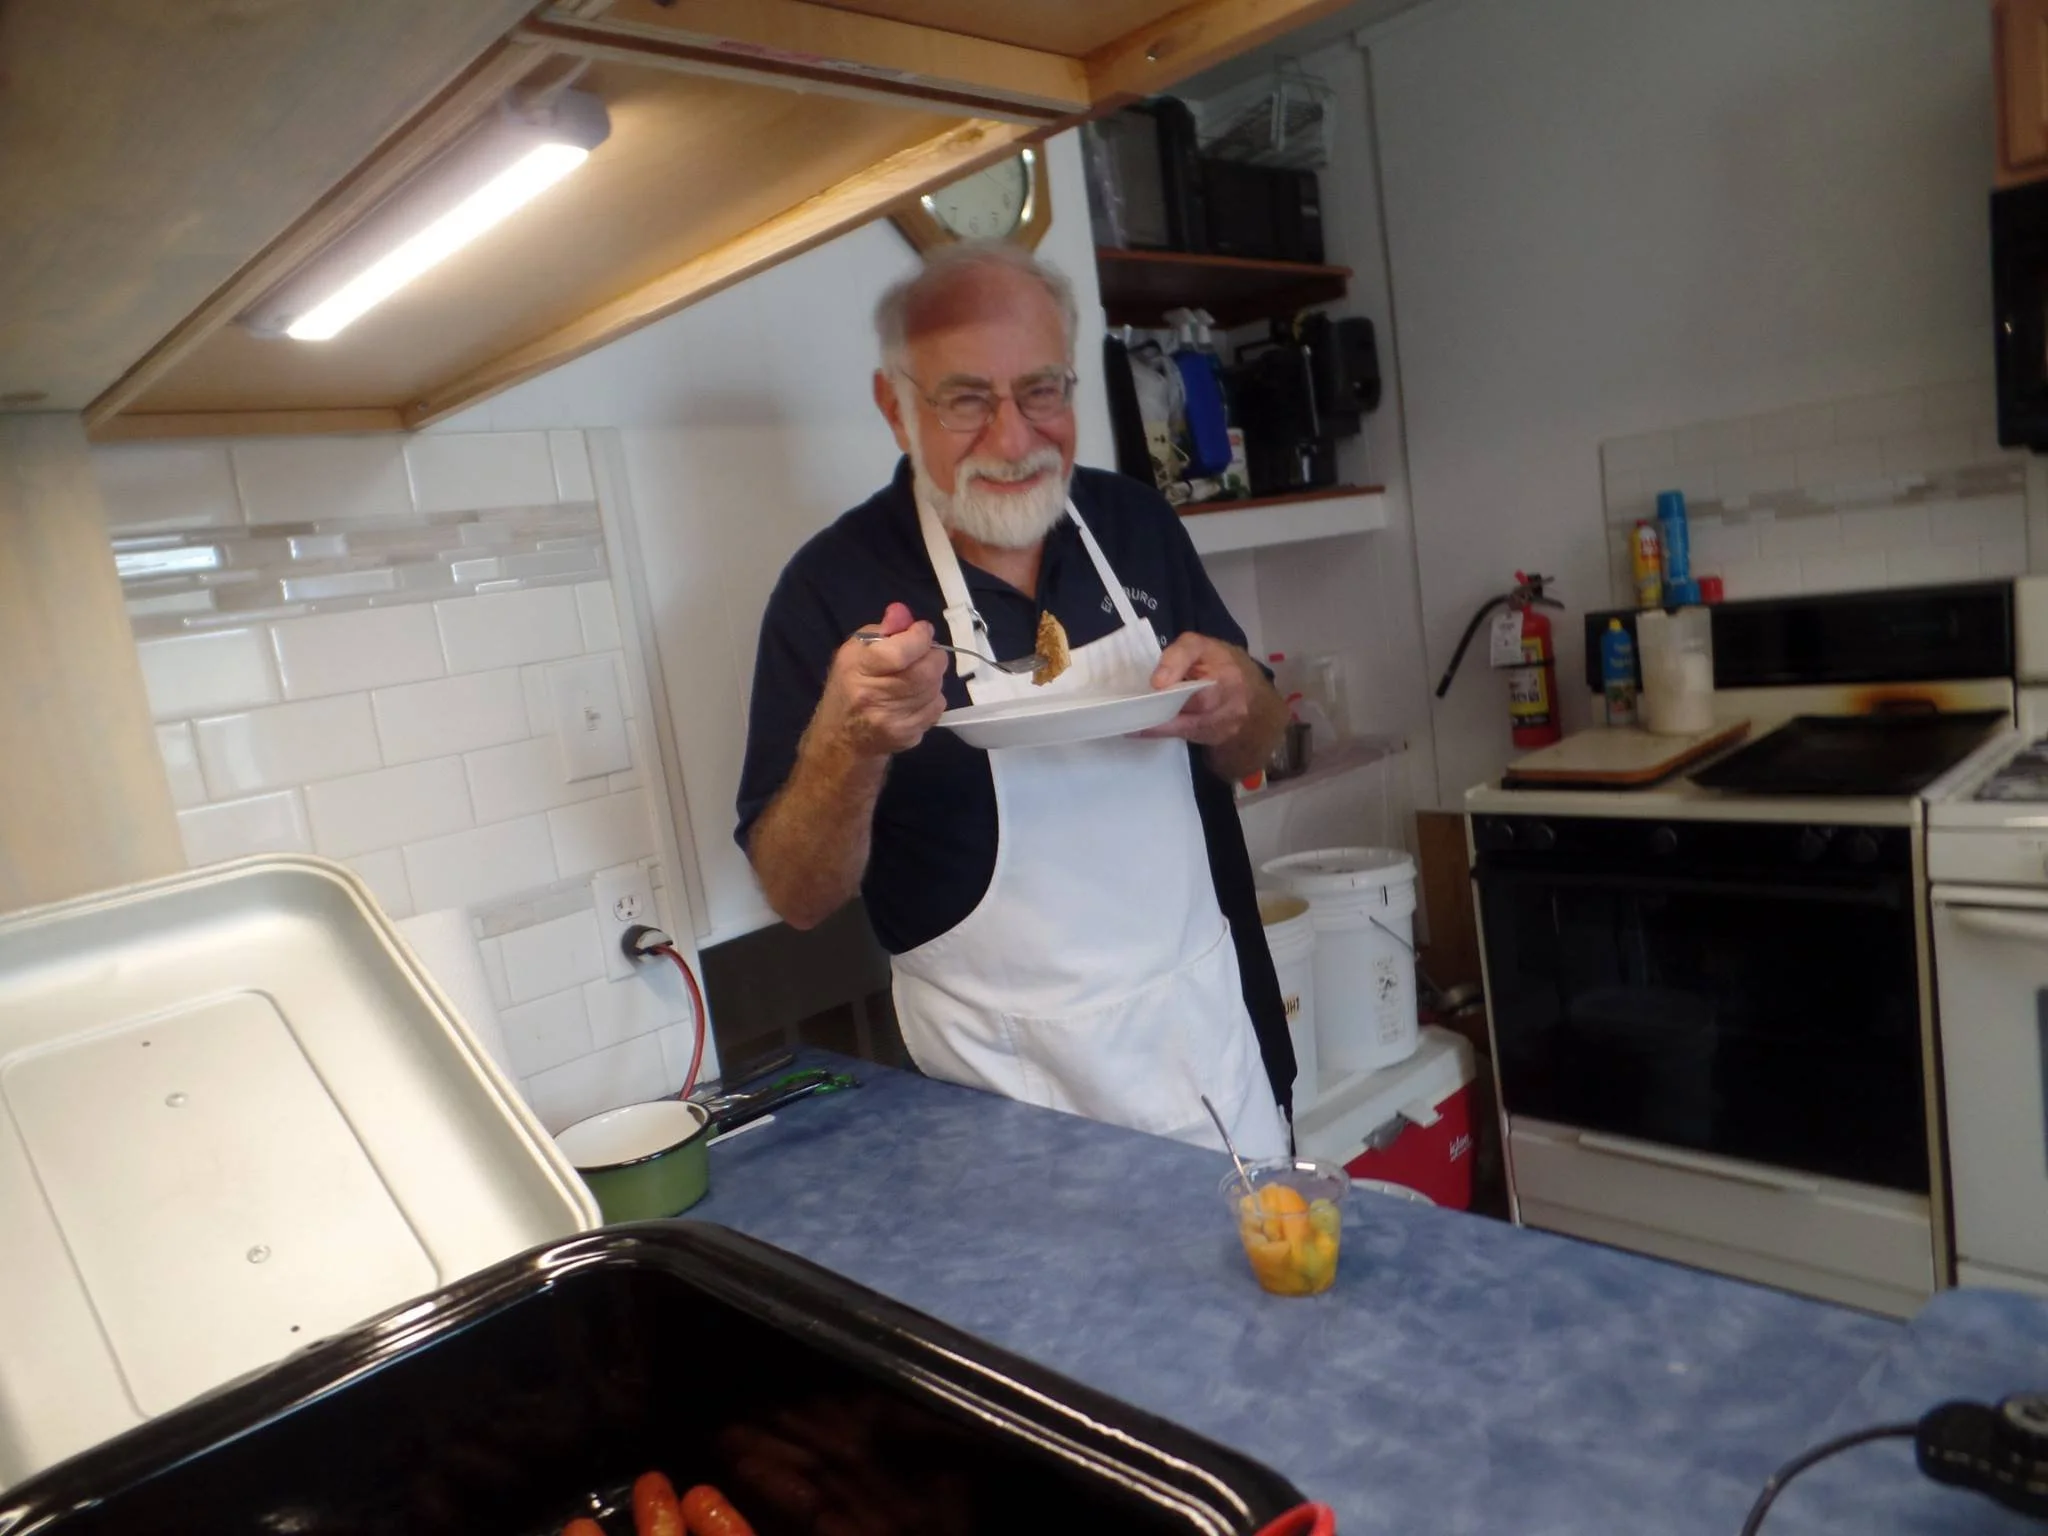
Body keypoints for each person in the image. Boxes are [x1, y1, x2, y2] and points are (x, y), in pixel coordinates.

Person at [735, 240, 1293, 1159]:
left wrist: (1242, 697)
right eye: (965, 399)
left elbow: (1253, 739)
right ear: (896, 407)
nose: (1014, 438)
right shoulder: (832, 588)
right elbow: (799, 895)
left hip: (1209, 1062)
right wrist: (850, 741)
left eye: (1042, 391)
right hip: (1004, 1118)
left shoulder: (1134, 524)